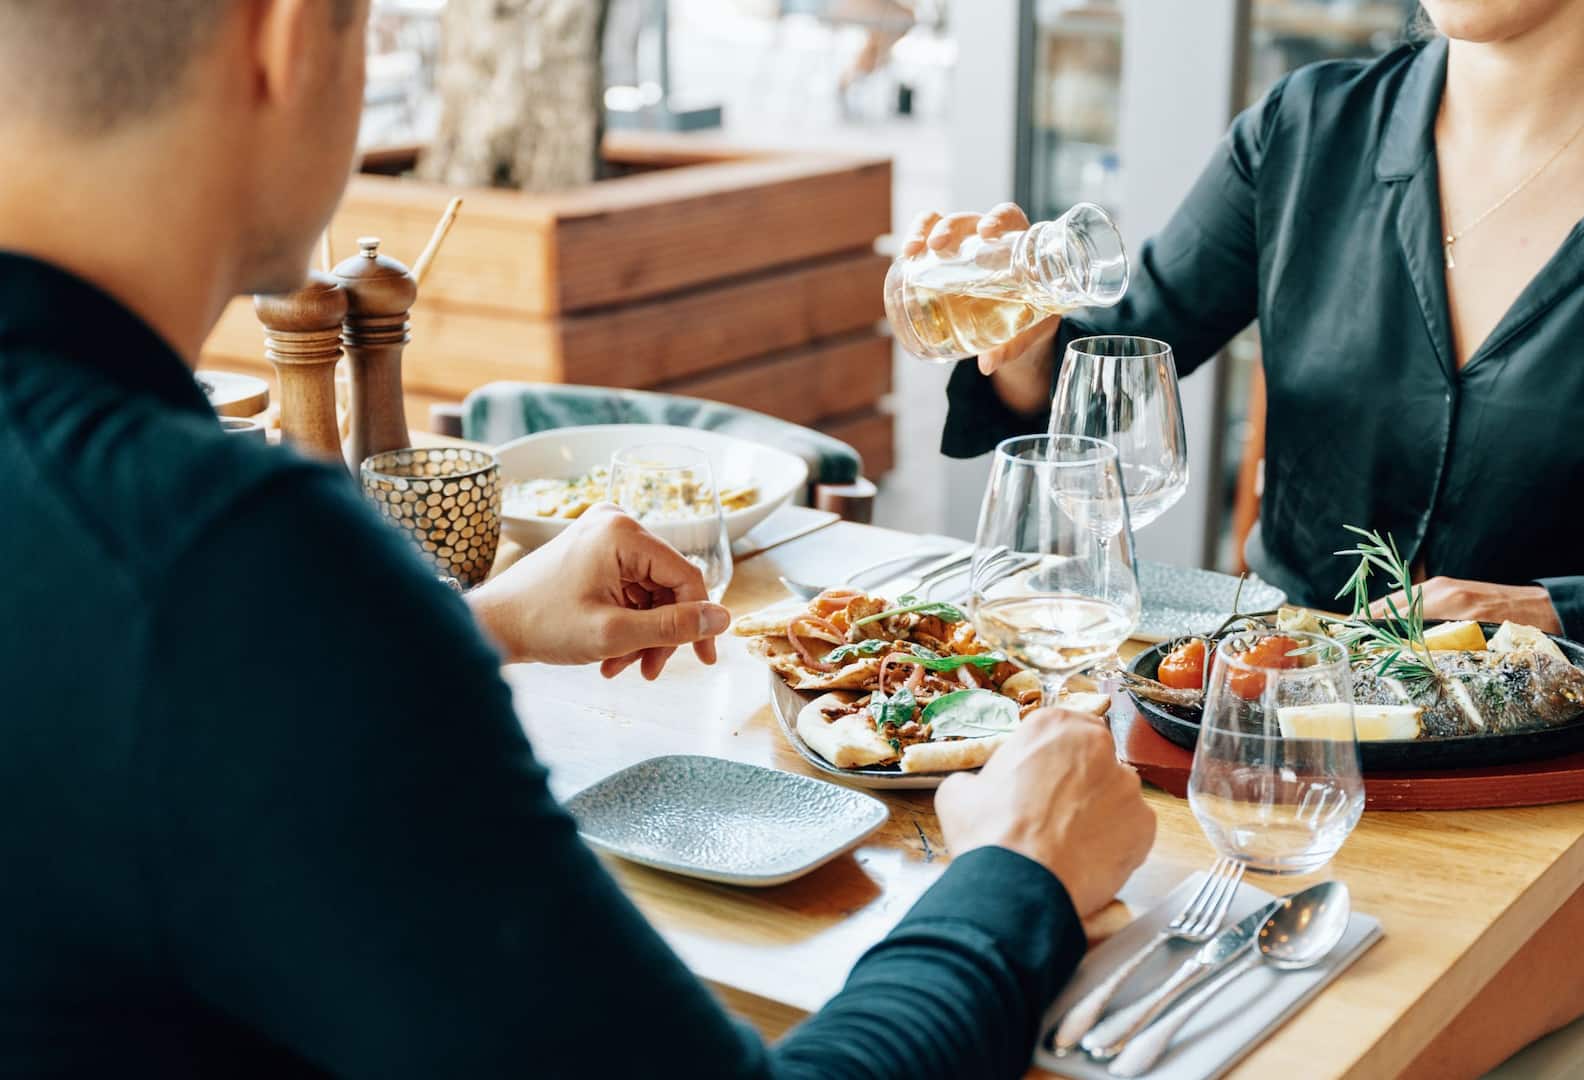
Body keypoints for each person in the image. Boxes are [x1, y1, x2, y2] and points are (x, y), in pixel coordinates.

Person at [0, 2, 1156, 1076]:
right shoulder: (233, 564)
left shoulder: (173, 570)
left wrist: (468, 628)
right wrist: (1022, 873)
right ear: (292, 41)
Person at [926, 0, 1584, 1074]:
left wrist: (1556, 616)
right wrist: (1022, 342)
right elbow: (1106, 376)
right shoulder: (1304, 132)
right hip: (1249, 769)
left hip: (1558, 816)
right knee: (1034, 1027)